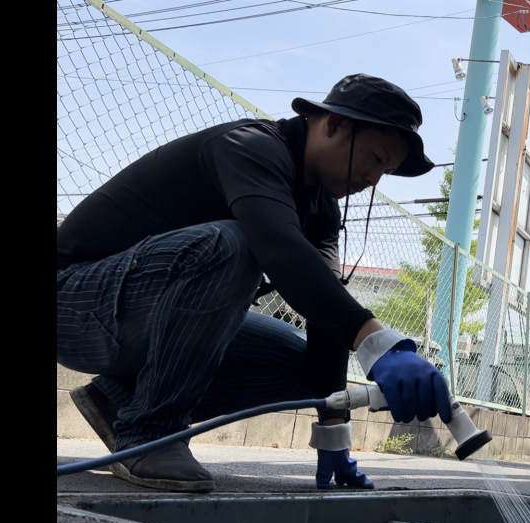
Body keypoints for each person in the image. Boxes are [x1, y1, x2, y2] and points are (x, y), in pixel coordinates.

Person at [56, 74, 452, 493]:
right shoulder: (249, 146)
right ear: (334, 124)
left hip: (134, 317)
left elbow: (325, 310)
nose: (374, 178)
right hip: (75, 302)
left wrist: (334, 429)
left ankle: (119, 403)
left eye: (386, 171)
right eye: (375, 158)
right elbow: (279, 247)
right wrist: (377, 341)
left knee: (306, 363)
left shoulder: (322, 209)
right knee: (234, 243)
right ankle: (150, 431)